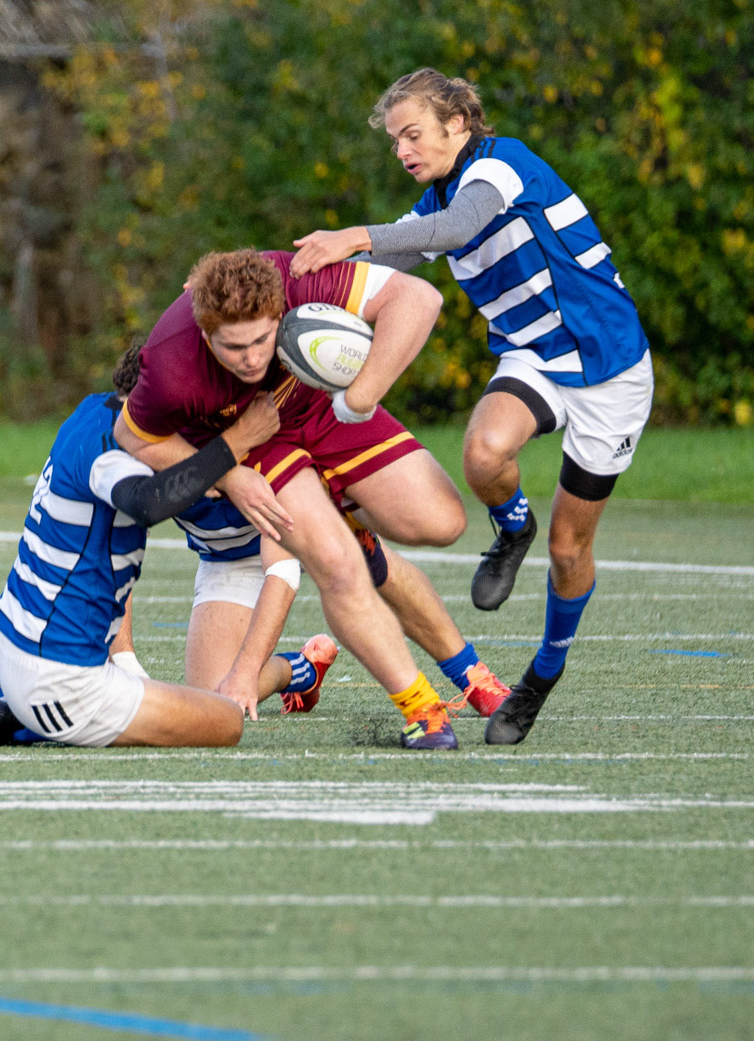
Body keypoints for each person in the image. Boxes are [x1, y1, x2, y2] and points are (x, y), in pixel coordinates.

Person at [292, 69, 654, 746]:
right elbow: (386, 267)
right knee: (484, 454)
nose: (402, 148)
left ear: (459, 123)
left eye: (414, 133)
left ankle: (540, 677)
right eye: (395, 138)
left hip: (611, 366)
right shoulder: (432, 203)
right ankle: (512, 527)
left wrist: (354, 235)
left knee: (571, 548)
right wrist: (282, 288)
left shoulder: (503, 166)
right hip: (535, 355)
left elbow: (459, 228)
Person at [114, 248, 499, 751]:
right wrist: (229, 471)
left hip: (315, 405)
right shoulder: (169, 373)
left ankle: (467, 669)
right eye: (233, 347)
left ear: (280, 312)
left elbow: (417, 298)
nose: (251, 358)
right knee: (334, 566)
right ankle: (422, 709)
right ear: (204, 332)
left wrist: (359, 397)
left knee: (442, 521)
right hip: (258, 441)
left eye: (260, 340)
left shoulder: (296, 279)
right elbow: (131, 443)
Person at [0, 353, 336, 745]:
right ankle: (31, 726)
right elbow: (143, 506)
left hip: (9, 636)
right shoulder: (122, 453)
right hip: (60, 678)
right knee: (224, 720)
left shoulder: (92, 410)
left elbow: (119, 554)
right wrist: (229, 455)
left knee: (200, 691)